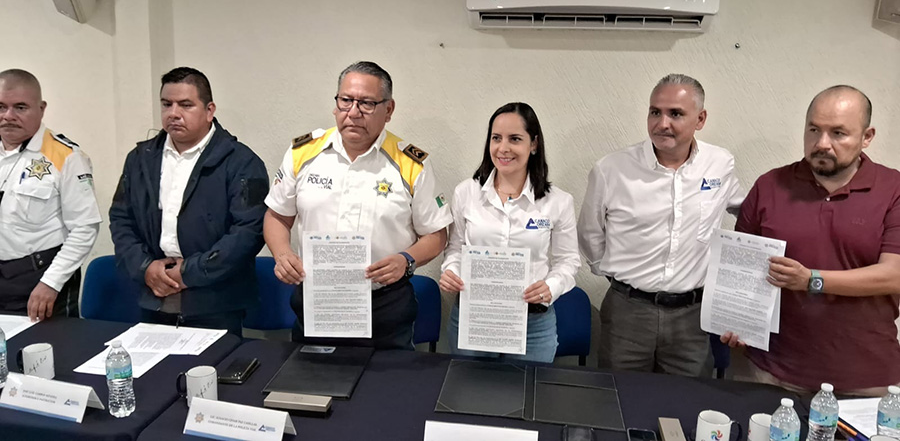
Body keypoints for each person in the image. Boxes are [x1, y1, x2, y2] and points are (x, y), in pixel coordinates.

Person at [722, 85, 900, 396]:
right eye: (814, 130)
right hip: (770, 371)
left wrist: (811, 280)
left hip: (865, 379)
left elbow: (894, 275)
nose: (822, 143)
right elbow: (742, 269)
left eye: (838, 133)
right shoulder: (770, 185)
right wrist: (735, 321)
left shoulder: (893, 189)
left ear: (867, 137)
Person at [263, 61, 451, 350]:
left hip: (385, 306)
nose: (353, 112)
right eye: (346, 100)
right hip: (317, 300)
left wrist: (406, 260)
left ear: (388, 110)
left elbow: (436, 234)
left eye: (366, 103)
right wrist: (282, 254)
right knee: (312, 376)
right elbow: (277, 216)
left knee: (386, 380)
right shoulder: (302, 153)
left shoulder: (412, 164)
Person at [577, 73, 743, 376]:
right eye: (655, 112)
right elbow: (589, 233)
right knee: (620, 396)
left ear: (700, 119)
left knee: (688, 399)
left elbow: (747, 213)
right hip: (628, 313)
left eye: (675, 114)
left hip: (692, 317)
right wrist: (615, 276)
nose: (662, 123)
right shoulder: (611, 169)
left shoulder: (719, 164)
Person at [109, 67, 268, 336]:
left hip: (216, 301)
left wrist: (191, 272)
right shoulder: (140, 159)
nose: (173, 113)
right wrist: (145, 268)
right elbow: (121, 219)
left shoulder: (242, 162)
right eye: (166, 104)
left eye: (185, 105)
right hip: (155, 293)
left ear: (209, 110)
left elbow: (248, 231)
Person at [439, 102, 580, 362]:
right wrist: (451, 271)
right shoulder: (466, 192)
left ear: (533, 144)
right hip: (475, 316)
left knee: (528, 389)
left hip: (533, 324)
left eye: (514, 139)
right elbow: (456, 248)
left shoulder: (558, 202)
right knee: (468, 387)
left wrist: (551, 287)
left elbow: (568, 261)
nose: (503, 148)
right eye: (496, 138)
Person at [0, 68, 101, 321]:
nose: (8, 116)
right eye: (1, 107)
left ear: (41, 109)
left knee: (49, 345)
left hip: (40, 279)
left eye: (20, 107)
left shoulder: (66, 156)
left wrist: (51, 283)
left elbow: (85, 228)